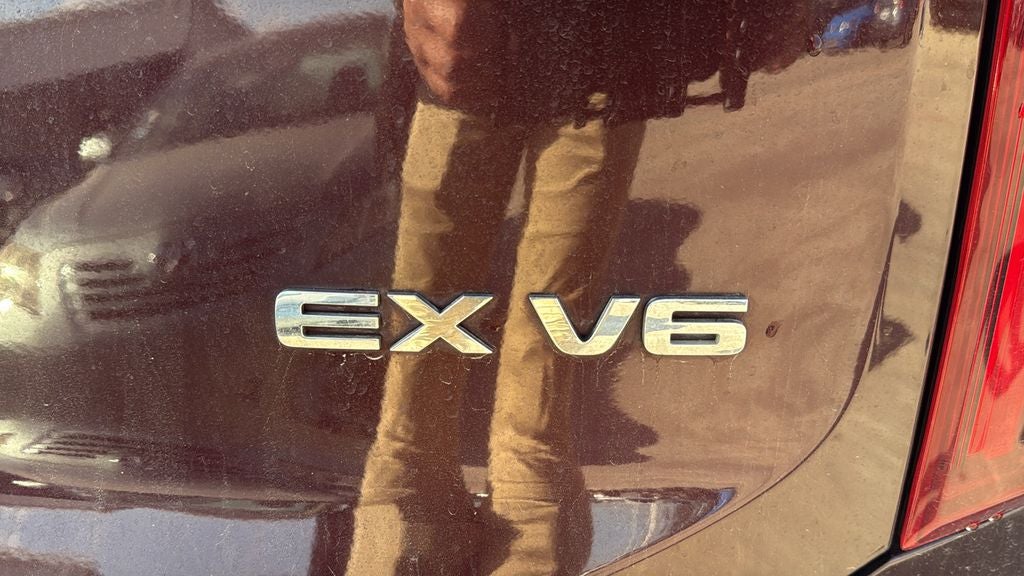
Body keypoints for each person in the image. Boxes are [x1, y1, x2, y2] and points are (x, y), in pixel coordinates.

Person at [347, 1, 766, 573]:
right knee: (435, 390)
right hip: (518, 51)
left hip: (605, 43)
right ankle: (465, 486)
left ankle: (493, 488)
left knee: (530, 358)